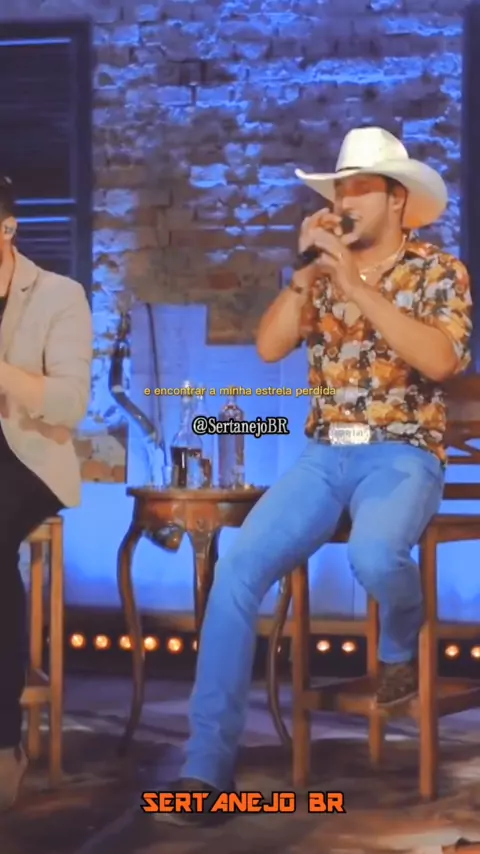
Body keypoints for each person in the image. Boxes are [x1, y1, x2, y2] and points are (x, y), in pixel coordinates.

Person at [158, 127, 472, 825]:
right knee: (237, 568)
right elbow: (270, 346)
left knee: (375, 555)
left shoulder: (438, 271)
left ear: (396, 199)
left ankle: (402, 641)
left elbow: (441, 361)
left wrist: (357, 285)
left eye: (358, 188)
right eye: (338, 190)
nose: (343, 201)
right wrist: (306, 274)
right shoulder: (322, 274)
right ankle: (205, 767)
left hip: (402, 452)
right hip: (325, 455)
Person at [0, 176, 92, 810]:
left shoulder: (59, 295)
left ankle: (3, 741)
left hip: (26, 456)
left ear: (6, 228)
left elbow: (68, 403)